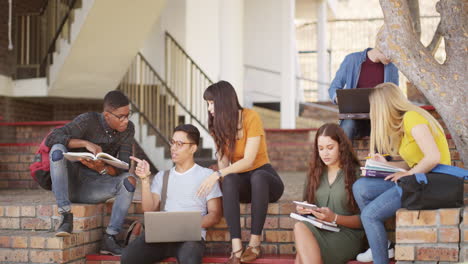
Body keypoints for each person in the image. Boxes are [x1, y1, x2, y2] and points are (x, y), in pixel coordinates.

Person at [352, 83, 451, 264]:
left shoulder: (413, 117)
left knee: (369, 215)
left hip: (432, 184)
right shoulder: (403, 125)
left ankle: (379, 256)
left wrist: (409, 173)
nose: (372, 112)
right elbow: (413, 161)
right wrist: (387, 164)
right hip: (417, 180)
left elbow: (433, 157)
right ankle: (381, 245)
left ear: (384, 105)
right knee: (361, 187)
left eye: (374, 107)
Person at [197, 81, 284, 264]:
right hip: (244, 183)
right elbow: (224, 166)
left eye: (212, 103)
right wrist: (220, 142)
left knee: (257, 176)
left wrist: (217, 174)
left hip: (266, 180)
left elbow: (249, 160)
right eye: (208, 104)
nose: (209, 108)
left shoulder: (250, 117)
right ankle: (236, 247)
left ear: (224, 102)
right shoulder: (218, 125)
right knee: (228, 179)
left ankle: (254, 243)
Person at [45, 90, 136, 256]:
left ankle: (110, 237)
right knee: (57, 149)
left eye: (128, 115)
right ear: (107, 115)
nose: (126, 120)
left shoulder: (128, 129)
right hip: (70, 183)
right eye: (121, 116)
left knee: (129, 180)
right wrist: (85, 143)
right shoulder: (88, 120)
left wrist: (100, 167)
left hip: (95, 186)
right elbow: (52, 138)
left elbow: (123, 166)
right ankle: (66, 216)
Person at [121, 124, 223, 264]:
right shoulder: (162, 176)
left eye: (180, 144)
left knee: (190, 260)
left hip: (191, 239)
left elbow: (215, 214)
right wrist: (144, 179)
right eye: (172, 142)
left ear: (193, 148)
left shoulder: (207, 176)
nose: (173, 148)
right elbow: (149, 209)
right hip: (162, 237)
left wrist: (187, 225)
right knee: (128, 257)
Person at [293, 123, 364, 264]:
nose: (325, 153)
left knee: (302, 254)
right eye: (321, 148)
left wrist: (335, 218)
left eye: (330, 148)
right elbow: (308, 206)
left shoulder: (356, 174)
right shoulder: (314, 173)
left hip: (347, 235)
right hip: (321, 230)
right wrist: (304, 209)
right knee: (300, 226)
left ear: (341, 147)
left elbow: (365, 220)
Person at [328, 47, 399, 140]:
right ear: (380, 48)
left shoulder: (392, 66)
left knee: (385, 132)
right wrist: (341, 99)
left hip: (380, 117)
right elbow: (333, 87)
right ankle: (343, 154)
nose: (391, 58)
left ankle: (381, 155)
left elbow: (394, 92)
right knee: (348, 126)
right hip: (354, 117)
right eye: (390, 54)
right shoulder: (352, 60)